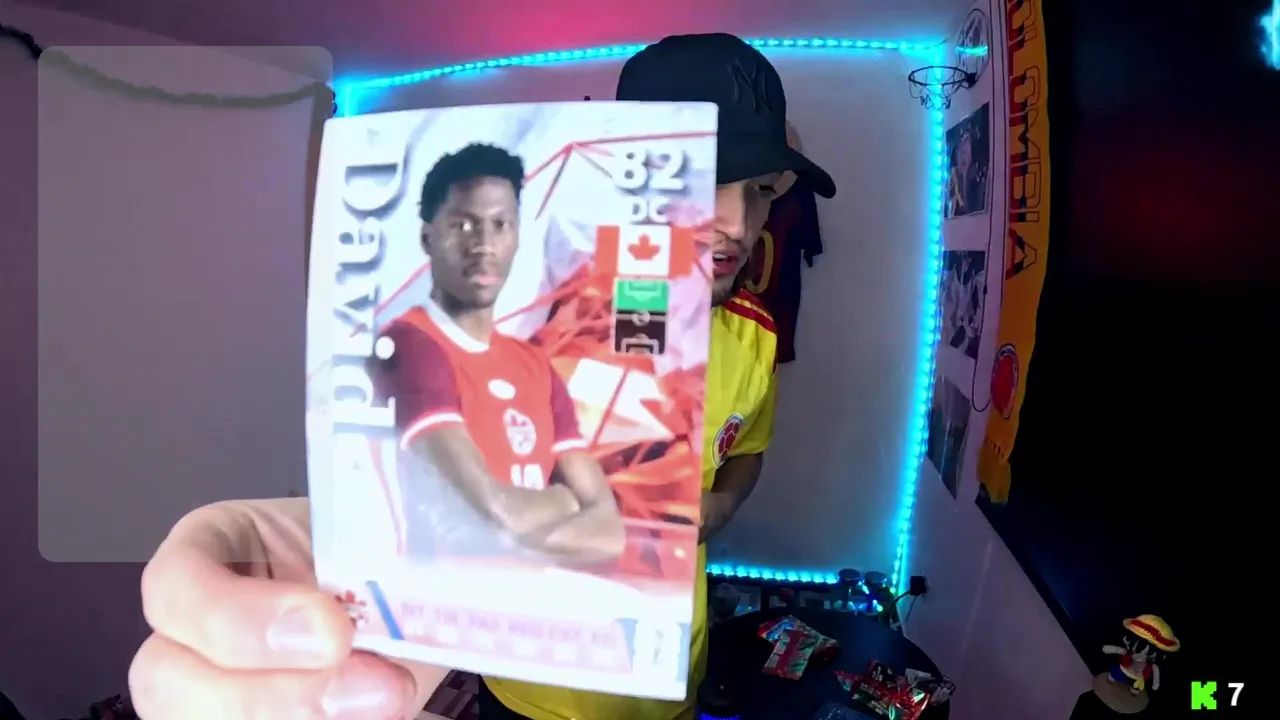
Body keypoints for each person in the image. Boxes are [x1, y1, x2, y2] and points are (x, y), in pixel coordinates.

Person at [128, 31, 836, 720]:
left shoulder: (755, 334)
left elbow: (745, 452)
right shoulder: (528, 313)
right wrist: (370, 555)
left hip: (674, 678)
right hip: (530, 691)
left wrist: (721, 508)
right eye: (705, 176)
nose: (737, 221)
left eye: (762, 189)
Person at [372, 142, 624, 564]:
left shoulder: (535, 366)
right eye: (463, 225)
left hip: (534, 601)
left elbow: (611, 535)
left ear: (517, 236)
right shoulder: (408, 344)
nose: (484, 244)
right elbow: (493, 511)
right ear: (427, 237)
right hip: (442, 599)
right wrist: (563, 501)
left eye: (500, 225)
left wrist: (508, 538)